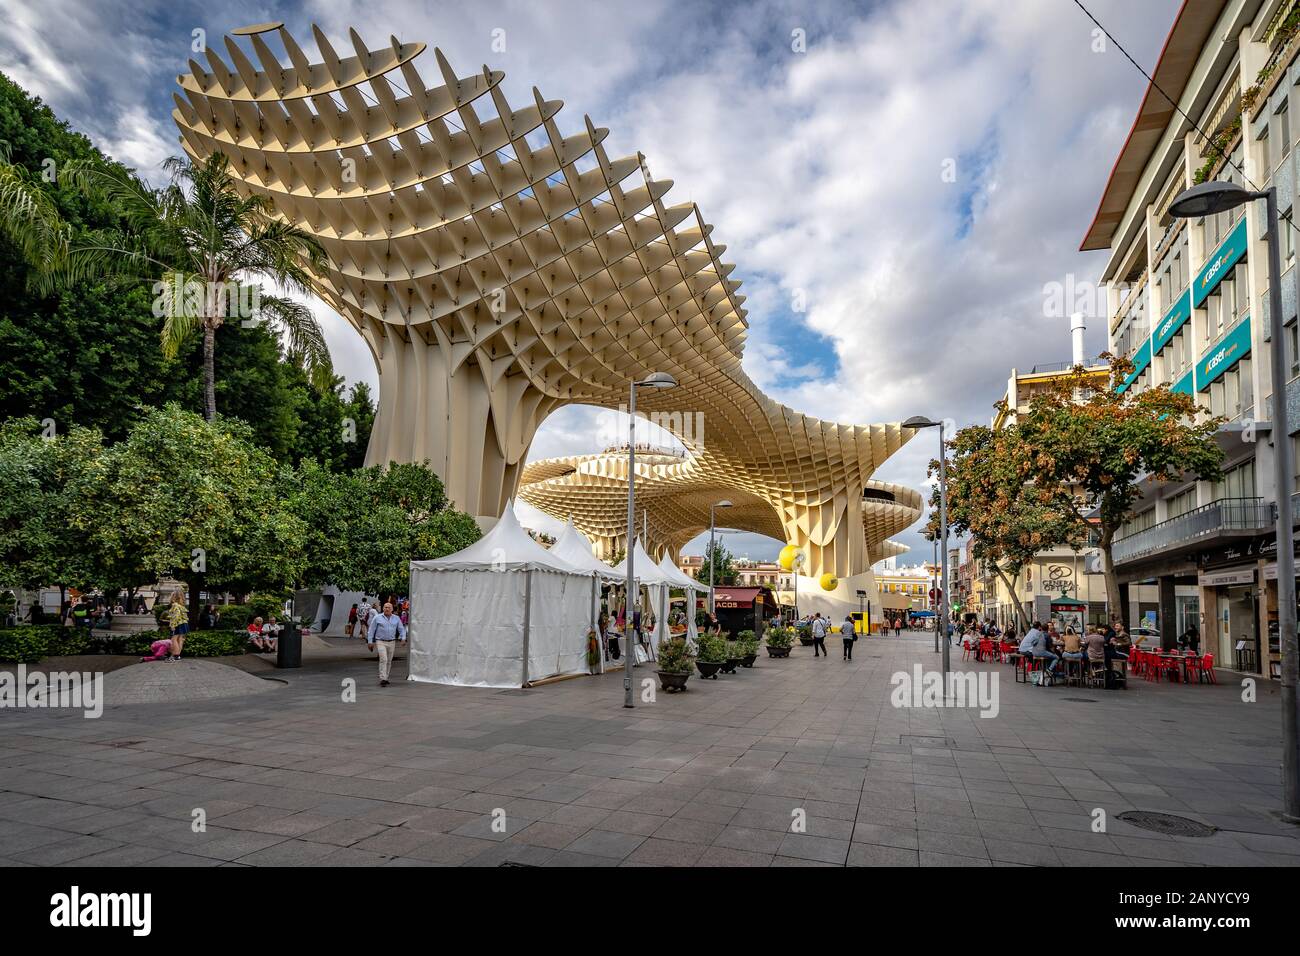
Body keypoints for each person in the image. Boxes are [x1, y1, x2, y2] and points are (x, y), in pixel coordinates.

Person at [367, 600, 407, 687]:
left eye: (389, 607)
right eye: (385, 607)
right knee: (383, 659)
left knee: (389, 661)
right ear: (383, 608)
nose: (387, 609)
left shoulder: (396, 618)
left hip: (392, 641)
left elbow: (401, 629)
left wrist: (403, 638)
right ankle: (383, 678)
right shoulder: (377, 618)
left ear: (392, 609)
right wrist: (370, 642)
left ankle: (386, 677)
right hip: (380, 641)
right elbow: (371, 630)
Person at [164, 590, 188, 661]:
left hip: (178, 624)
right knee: (180, 639)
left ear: (174, 597)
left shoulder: (175, 605)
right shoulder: (181, 605)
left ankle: (175, 655)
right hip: (184, 623)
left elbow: (176, 616)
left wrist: (173, 625)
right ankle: (178, 655)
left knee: (174, 639)